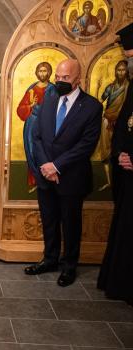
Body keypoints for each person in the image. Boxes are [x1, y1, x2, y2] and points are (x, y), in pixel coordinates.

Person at [25, 59, 102, 287]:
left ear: (78, 78)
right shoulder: (48, 100)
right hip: (46, 175)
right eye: (58, 77)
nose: (59, 81)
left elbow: (87, 144)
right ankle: (49, 259)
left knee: (70, 223)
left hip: (71, 176)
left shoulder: (91, 107)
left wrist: (56, 166)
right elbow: (37, 137)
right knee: (49, 221)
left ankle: (69, 266)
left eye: (65, 78)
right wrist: (46, 166)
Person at [97, 22, 133, 306]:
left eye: (130, 58)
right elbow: (123, 125)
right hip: (127, 168)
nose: (127, 63)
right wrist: (121, 152)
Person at [17, 62, 57, 192]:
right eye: (40, 71)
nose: (42, 74)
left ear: (49, 73)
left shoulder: (53, 89)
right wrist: (30, 106)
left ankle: (45, 180)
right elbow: (20, 109)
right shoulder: (32, 89)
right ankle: (34, 180)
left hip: (48, 125)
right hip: (31, 124)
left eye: (45, 71)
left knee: (45, 152)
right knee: (31, 151)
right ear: (36, 73)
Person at [96, 60, 129, 191]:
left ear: (127, 71)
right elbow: (100, 102)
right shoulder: (110, 87)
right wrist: (98, 88)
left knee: (122, 150)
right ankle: (108, 182)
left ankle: (121, 182)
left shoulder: (129, 88)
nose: (120, 72)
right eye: (118, 70)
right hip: (107, 121)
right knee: (106, 151)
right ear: (115, 71)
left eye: (123, 70)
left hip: (123, 123)